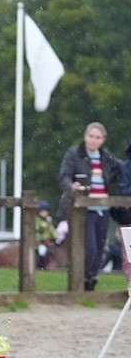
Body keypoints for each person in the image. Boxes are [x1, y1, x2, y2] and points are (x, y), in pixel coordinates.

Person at [58, 122, 121, 291]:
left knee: (100, 249)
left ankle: (91, 279)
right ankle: (83, 279)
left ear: (103, 140)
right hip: (83, 209)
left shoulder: (106, 157)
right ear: (85, 136)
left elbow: (121, 170)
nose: (93, 140)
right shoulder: (74, 154)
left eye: (97, 137)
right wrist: (72, 187)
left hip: (103, 208)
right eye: (91, 136)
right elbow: (64, 176)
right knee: (89, 248)